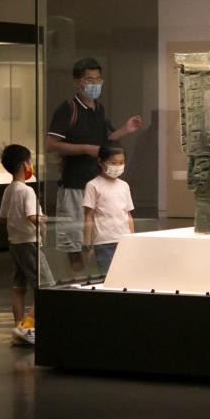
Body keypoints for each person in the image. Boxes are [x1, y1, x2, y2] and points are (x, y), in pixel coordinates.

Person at [46, 57, 142, 281]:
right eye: (90, 80)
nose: (95, 84)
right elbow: (51, 144)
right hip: (75, 185)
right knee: (75, 246)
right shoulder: (68, 109)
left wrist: (125, 130)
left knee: (102, 240)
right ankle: (78, 285)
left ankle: (100, 284)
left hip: (99, 185)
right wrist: (85, 149)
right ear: (78, 82)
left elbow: (105, 143)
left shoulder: (99, 109)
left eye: (98, 79)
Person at [0, 144, 53, 346]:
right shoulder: (27, 191)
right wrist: (44, 219)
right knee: (46, 286)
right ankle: (27, 327)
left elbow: (2, 218)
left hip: (15, 243)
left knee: (18, 287)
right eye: (30, 160)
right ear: (24, 163)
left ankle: (18, 328)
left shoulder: (9, 189)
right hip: (30, 243)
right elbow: (32, 216)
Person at [82, 143, 134, 278]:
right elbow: (88, 216)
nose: (118, 166)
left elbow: (128, 214)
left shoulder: (124, 186)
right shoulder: (93, 185)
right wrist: (87, 244)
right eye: (113, 163)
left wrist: (133, 238)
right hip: (103, 243)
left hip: (124, 240)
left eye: (121, 162)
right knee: (108, 278)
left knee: (126, 277)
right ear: (100, 161)